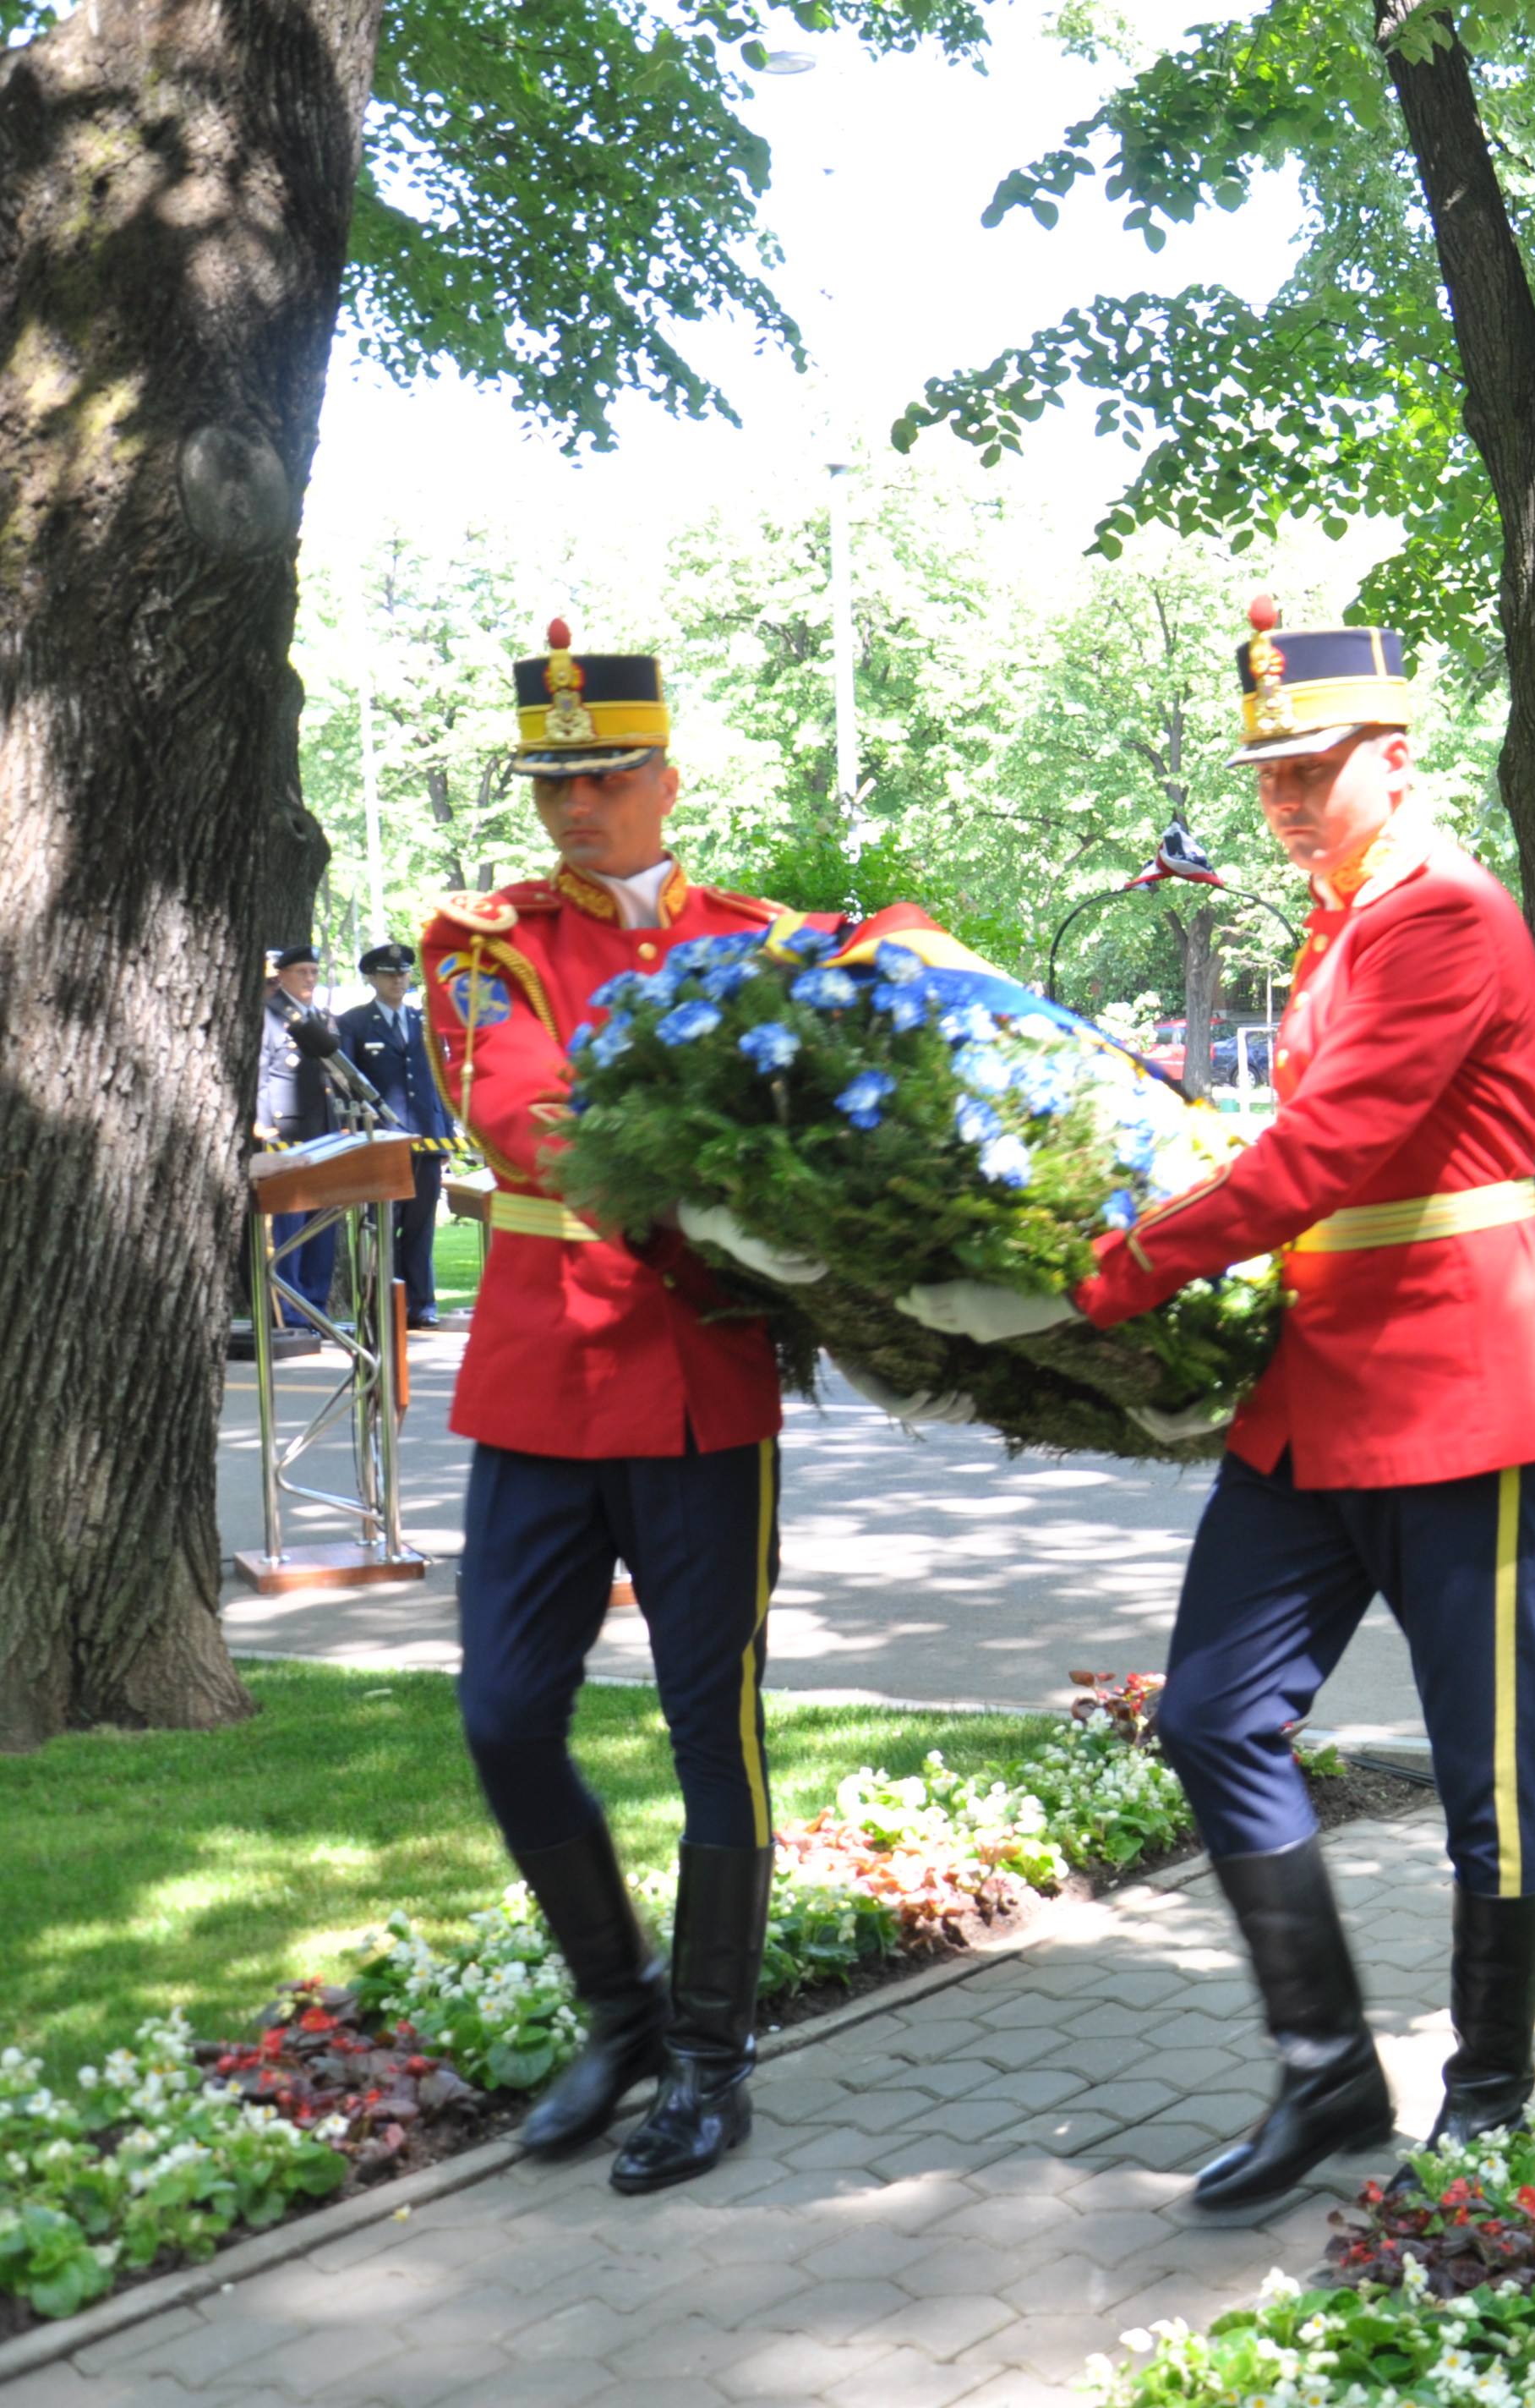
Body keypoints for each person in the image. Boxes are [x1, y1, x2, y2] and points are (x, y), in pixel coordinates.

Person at [931, 605, 1535, 2220]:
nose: (1285, 796)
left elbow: (1333, 1152)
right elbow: (1290, 1152)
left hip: (1453, 1386)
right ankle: (1326, 2069)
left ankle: (1488, 2088)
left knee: (1481, 1766)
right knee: (1212, 1712)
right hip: (1317, 1392)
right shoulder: (1340, 923)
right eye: (1268, 774)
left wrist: (1124, 1264)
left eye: (1313, 766)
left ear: (1394, 755)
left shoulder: (1440, 915)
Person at [420, 622, 802, 2192]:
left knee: (713, 1728)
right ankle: (621, 2009)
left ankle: (710, 2062)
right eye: (551, 780)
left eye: (603, 775)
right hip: (538, 1391)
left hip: (704, 1389)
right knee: (505, 1712)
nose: (573, 805)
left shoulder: (762, 938)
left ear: (665, 776)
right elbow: (528, 1119)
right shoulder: (482, 944)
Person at [338, 940, 460, 1327]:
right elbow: (348, 1082)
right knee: (383, 1224)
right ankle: (385, 1306)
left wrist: (445, 1138)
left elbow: (438, 1084)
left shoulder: (424, 1023)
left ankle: (422, 1305)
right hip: (382, 1141)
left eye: (404, 973)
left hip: (426, 1138)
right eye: (390, 975)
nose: (398, 980)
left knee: (422, 1226)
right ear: (372, 978)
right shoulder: (353, 1024)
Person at [254, 944, 341, 1345]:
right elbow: (261, 1077)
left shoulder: (318, 1018)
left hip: (323, 1134)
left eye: (314, 971)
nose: (311, 978)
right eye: (302, 972)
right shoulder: (269, 1017)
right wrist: (262, 1129)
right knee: (289, 1229)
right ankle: (287, 1311)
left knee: (321, 1228)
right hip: (285, 1137)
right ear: (282, 975)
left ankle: (314, 1307)